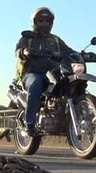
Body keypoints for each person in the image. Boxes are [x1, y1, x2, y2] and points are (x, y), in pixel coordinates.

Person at [14, 7, 74, 137]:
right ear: (34, 22)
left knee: (68, 81)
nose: (44, 23)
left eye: (47, 20)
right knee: (36, 82)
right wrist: (25, 51)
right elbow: (18, 51)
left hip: (52, 73)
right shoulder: (28, 37)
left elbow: (69, 51)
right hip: (31, 74)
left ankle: (68, 117)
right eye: (41, 20)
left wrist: (86, 55)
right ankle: (29, 123)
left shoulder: (56, 40)